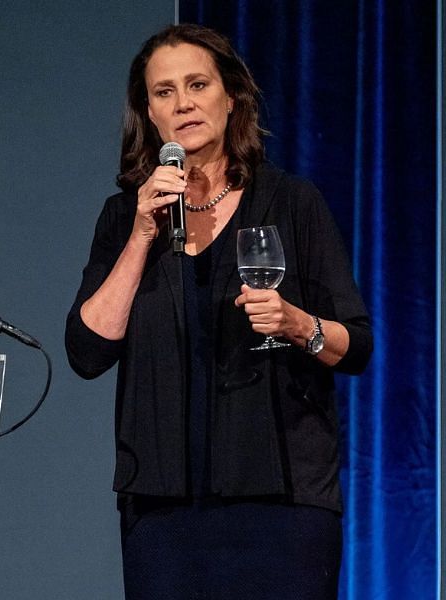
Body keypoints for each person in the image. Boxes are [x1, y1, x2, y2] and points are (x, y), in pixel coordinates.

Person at [65, 24, 372, 600]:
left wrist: (297, 323)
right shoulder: (124, 217)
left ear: (230, 98)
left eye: (197, 84)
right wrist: (140, 234)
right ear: (149, 115)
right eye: (163, 92)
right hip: (163, 510)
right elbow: (87, 351)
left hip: (281, 502)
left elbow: (355, 345)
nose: (182, 103)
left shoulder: (292, 202)